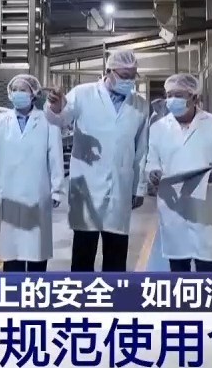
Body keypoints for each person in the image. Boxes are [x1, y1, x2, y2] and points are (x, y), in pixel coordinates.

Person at [46, 49, 150, 272]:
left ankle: (113, 294)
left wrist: (139, 188)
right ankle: (81, 294)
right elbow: (61, 119)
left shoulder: (140, 104)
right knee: (83, 256)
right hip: (87, 186)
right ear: (108, 72)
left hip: (120, 187)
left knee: (116, 257)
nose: (129, 81)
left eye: (133, 76)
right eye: (124, 76)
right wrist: (56, 108)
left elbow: (141, 150)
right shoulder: (83, 94)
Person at [145, 73, 212, 273]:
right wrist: (153, 172)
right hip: (174, 208)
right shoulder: (158, 128)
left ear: (194, 97)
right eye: (169, 95)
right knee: (178, 268)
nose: (172, 100)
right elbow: (152, 159)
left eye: (178, 95)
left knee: (207, 269)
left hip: (205, 209)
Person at [0, 74, 65, 272]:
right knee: (12, 252)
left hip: (37, 193)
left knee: (36, 251)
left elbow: (55, 157)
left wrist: (57, 190)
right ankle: (13, 288)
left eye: (23, 90)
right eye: (15, 90)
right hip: (9, 193)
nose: (18, 94)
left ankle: (35, 288)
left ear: (33, 94)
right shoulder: (0, 122)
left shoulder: (48, 121)